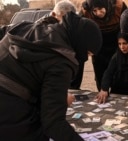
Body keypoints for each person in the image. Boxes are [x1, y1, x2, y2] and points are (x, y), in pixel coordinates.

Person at [0, 2, 102, 141]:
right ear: (81, 44)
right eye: (88, 54)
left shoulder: (30, 27)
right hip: (10, 112)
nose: (86, 58)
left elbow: (31, 73)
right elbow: (53, 123)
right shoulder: (62, 61)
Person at [78, 0, 127, 91]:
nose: (98, 13)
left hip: (116, 45)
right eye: (95, 11)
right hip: (98, 47)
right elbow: (79, 30)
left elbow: (126, 26)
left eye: (101, 9)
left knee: (117, 74)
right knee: (100, 74)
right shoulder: (86, 11)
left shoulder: (119, 7)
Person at [96, 32, 128, 104]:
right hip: (119, 90)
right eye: (119, 44)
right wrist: (104, 89)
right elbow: (109, 72)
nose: (122, 47)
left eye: (125, 43)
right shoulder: (116, 56)